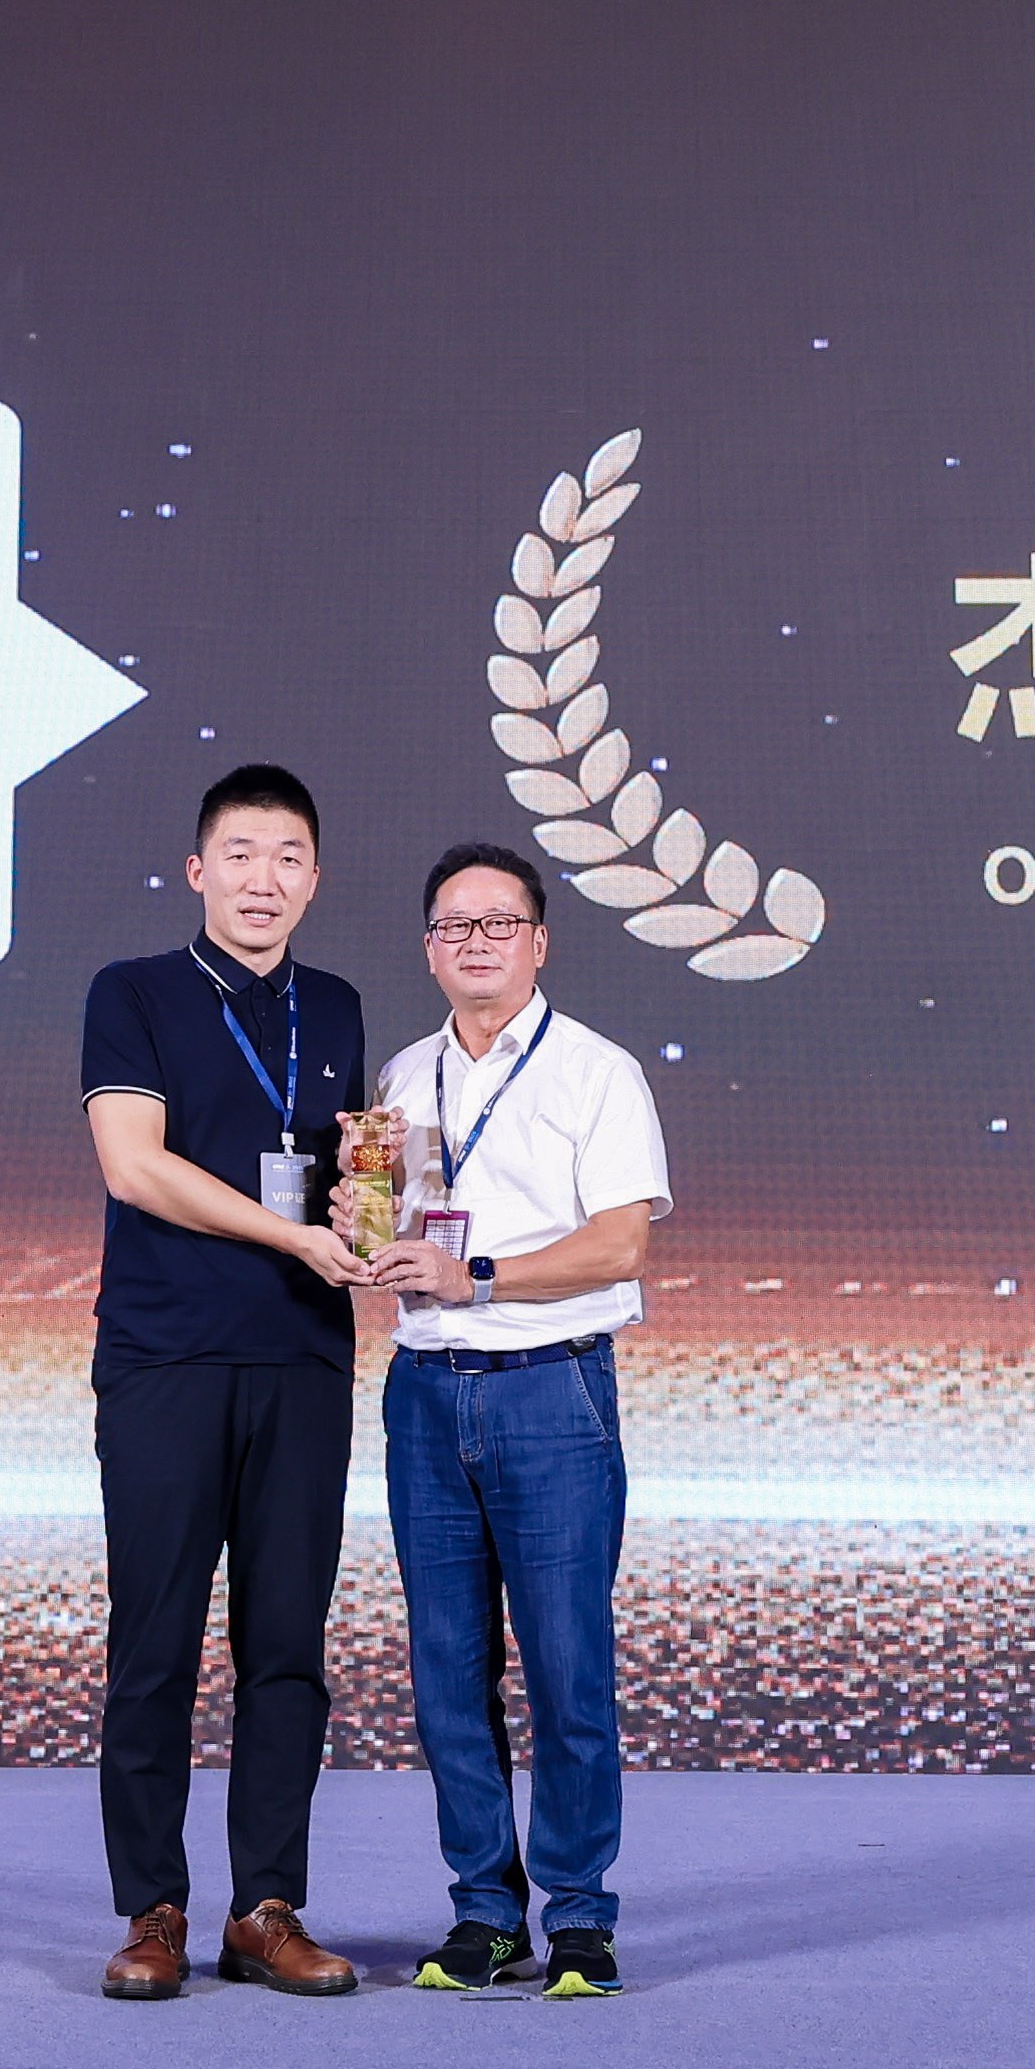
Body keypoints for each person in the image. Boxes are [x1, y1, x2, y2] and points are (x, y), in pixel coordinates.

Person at [74, 764, 378, 1999]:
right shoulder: (134, 991)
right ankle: (152, 1909)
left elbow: (351, 1175)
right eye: (241, 854)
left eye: (288, 857)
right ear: (199, 870)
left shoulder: (338, 1007)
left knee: (288, 1646)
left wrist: (368, 1226)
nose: (265, 879)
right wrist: (292, 1235)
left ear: (315, 878)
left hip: (303, 1358)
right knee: (154, 1643)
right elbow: (135, 1167)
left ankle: (266, 1909)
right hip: (166, 1356)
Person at [361, 838, 667, 1997]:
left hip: (551, 1386)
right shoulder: (402, 1075)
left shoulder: (597, 1070)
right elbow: (394, 1224)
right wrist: (358, 1231)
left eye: (499, 923)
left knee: (567, 1664)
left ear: (539, 941)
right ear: (429, 948)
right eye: (455, 925)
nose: (476, 941)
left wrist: (476, 1276)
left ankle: (579, 1912)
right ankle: (485, 1911)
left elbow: (620, 1243)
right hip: (426, 1390)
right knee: (447, 1667)